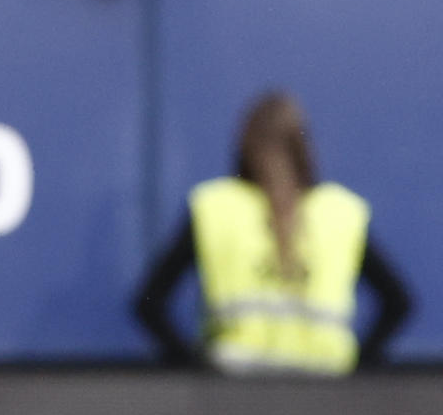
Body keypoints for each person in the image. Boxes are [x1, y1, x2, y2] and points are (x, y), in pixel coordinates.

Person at [135, 91, 412, 374]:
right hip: (326, 389)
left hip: (232, 389)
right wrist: (360, 367)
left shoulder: (215, 208)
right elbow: (399, 302)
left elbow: (148, 303)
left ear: (243, 144)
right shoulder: (340, 214)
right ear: (304, 145)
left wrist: (193, 367)